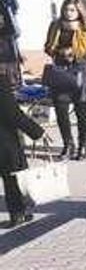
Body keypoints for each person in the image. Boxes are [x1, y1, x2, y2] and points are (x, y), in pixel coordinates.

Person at [43, 0, 86, 161]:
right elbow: (47, 46)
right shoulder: (56, 26)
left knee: (82, 112)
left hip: (81, 72)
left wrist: (77, 54)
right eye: (66, 9)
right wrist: (58, 52)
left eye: (72, 10)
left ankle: (83, 146)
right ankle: (68, 144)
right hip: (61, 73)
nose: (69, 13)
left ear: (79, 11)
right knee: (61, 112)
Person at [0, 83, 47, 228]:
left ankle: (21, 211)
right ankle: (18, 213)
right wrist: (38, 132)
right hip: (4, 140)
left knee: (13, 174)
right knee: (12, 176)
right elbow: (13, 114)